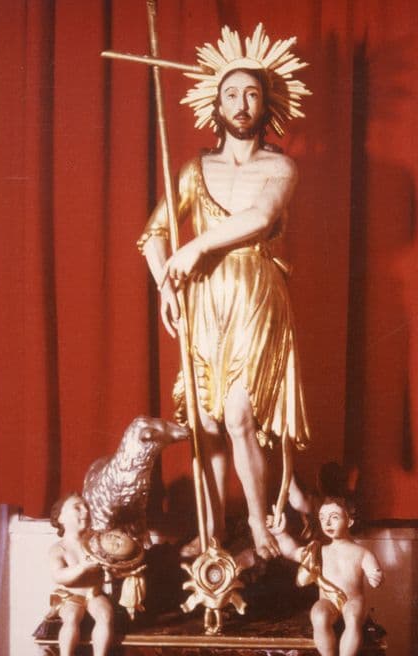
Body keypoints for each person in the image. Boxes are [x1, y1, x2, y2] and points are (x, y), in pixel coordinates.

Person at [137, 25, 311, 560]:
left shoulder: (279, 167)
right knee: (207, 422)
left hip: (254, 291)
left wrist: (195, 248)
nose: (241, 104)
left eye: (252, 93)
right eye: (231, 93)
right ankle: (211, 530)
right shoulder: (195, 170)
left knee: (239, 416)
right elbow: (153, 234)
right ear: (216, 104)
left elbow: (260, 217)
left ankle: (258, 524)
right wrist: (166, 283)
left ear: (267, 104)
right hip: (203, 301)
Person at [271, 497, 384, 656]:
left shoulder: (361, 553)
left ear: (350, 521)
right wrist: (281, 534)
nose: (327, 523)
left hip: (352, 600)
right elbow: (292, 552)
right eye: (323, 518)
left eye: (334, 517)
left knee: (353, 616)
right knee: (318, 615)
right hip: (328, 601)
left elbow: (375, 571)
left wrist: (376, 576)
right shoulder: (320, 551)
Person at [48, 493, 114, 656]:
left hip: (94, 594)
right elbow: (59, 576)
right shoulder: (59, 549)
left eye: (86, 507)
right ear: (61, 517)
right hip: (71, 596)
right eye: (77, 507)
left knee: (105, 615)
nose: (85, 511)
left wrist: (109, 567)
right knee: (71, 617)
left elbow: (108, 565)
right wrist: (82, 567)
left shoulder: (96, 543)